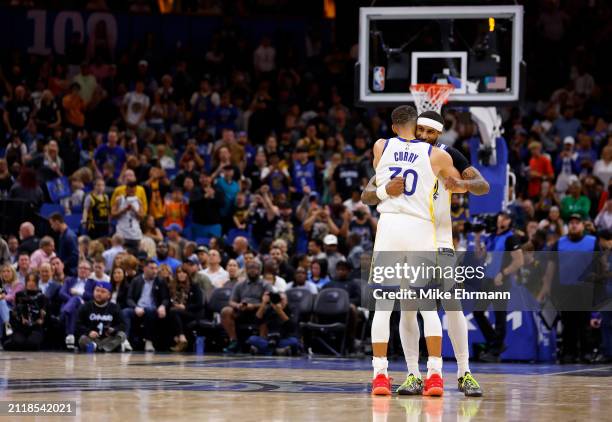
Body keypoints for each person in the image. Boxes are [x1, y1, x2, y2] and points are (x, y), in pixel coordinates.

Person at [365, 105, 465, 396]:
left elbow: (373, 187)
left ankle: (380, 377)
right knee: (427, 307)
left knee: (383, 307)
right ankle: (435, 376)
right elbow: (460, 186)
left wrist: (386, 191)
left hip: (390, 226)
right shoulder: (437, 154)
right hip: (421, 228)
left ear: (395, 126)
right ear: (419, 127)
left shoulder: (381, 146)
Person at [473, 211, 524, 362]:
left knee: (499, 315)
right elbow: (480, 256)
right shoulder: (492, 236)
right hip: (488, 280)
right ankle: (495, 342)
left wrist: (504, 273)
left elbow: (519, 261)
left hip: (501, 281)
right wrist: (477, 238)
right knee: (478, 312)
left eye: (506, 218)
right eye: (501, 217)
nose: (502, 219)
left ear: (509, 222)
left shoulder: (511, 238)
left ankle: (495, 350)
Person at [221, 260, 269, 353]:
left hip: (259, 310)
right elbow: (231, 301)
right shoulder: (239, 285)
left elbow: (270, 302)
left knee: (267, 310)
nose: (252, 270)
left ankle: (261, 342)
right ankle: (233, 341)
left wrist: (254, 306)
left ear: (260, 270)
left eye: (255, 268)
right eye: (250, 268)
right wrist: (238, 305)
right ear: (246, 270)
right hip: (242, 310)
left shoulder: (265, 284)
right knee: (226, 311)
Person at [123, 259, 169, 352]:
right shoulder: (136, 280)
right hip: (138, 308)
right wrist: (136, 307)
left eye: (156, 268)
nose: (155, 271)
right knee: (125, 312)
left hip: (153, 309)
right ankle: (124, 340)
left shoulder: (160, 281)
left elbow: (166, 298)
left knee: (150, 311)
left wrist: (163, 306)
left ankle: (149, 341)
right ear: (144, 269)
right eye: (151, 268)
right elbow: (129, 298)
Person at [76, 281, 127, 353]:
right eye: (97, 290)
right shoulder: (85, 306)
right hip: (92, 338)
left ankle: (97, 348)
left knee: (122, 335)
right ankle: (108, 348)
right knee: (82, 339)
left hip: (108, 338)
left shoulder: (114, 307)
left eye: (103, 292)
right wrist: (89, 332)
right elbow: (78, 324)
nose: (99, 294)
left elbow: (123, 325)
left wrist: (113, 330)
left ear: (109, 295)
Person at [59, 259, 97, 349]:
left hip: (84, 306)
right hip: (72, 306)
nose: (83, 270)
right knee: (73, 305)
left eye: (85, 268)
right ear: (77, 269)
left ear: (90, 271)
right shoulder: (69, 280)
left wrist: (79, 294)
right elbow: (61, 293)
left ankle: (64, 315)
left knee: (76, 300)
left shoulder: (92, 283)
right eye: (81, 268)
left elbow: (93, 296)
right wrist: (73, 300)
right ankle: (71, 337)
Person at [3, 274, 46, 351]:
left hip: (35, 327)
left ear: (36, 282)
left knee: (32, 344)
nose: (30, 283)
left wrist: (41, 319)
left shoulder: (42, 297)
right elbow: (16, 310)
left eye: (33, 281)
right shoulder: (19, 294)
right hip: (21, 327)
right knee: (18, 342)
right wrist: (20, 318)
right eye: (28, 280)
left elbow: (45, 313)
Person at [168, 266, 204, 352]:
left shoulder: (194, 286)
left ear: (188, 274)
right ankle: (179, 340)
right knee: (172, 313)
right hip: (177, 312)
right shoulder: (172, 286)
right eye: (179, 272)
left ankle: (181, 337)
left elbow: (199, 303)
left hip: (192, 312)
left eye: (183, 272)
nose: (181, 275)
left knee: (174, 312)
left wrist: (185, 307)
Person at [111, 181, 145, 253]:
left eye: (133, 190)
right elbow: (112, 214)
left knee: (136, 254)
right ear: (126, 190)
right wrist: (124, 210)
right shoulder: (119, 200)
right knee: (121, 254)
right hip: (122, 233)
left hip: (135, 234)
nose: (132, 192)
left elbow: (142, 217)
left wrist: (135, 210)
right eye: (130, 190)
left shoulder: (138, 201)